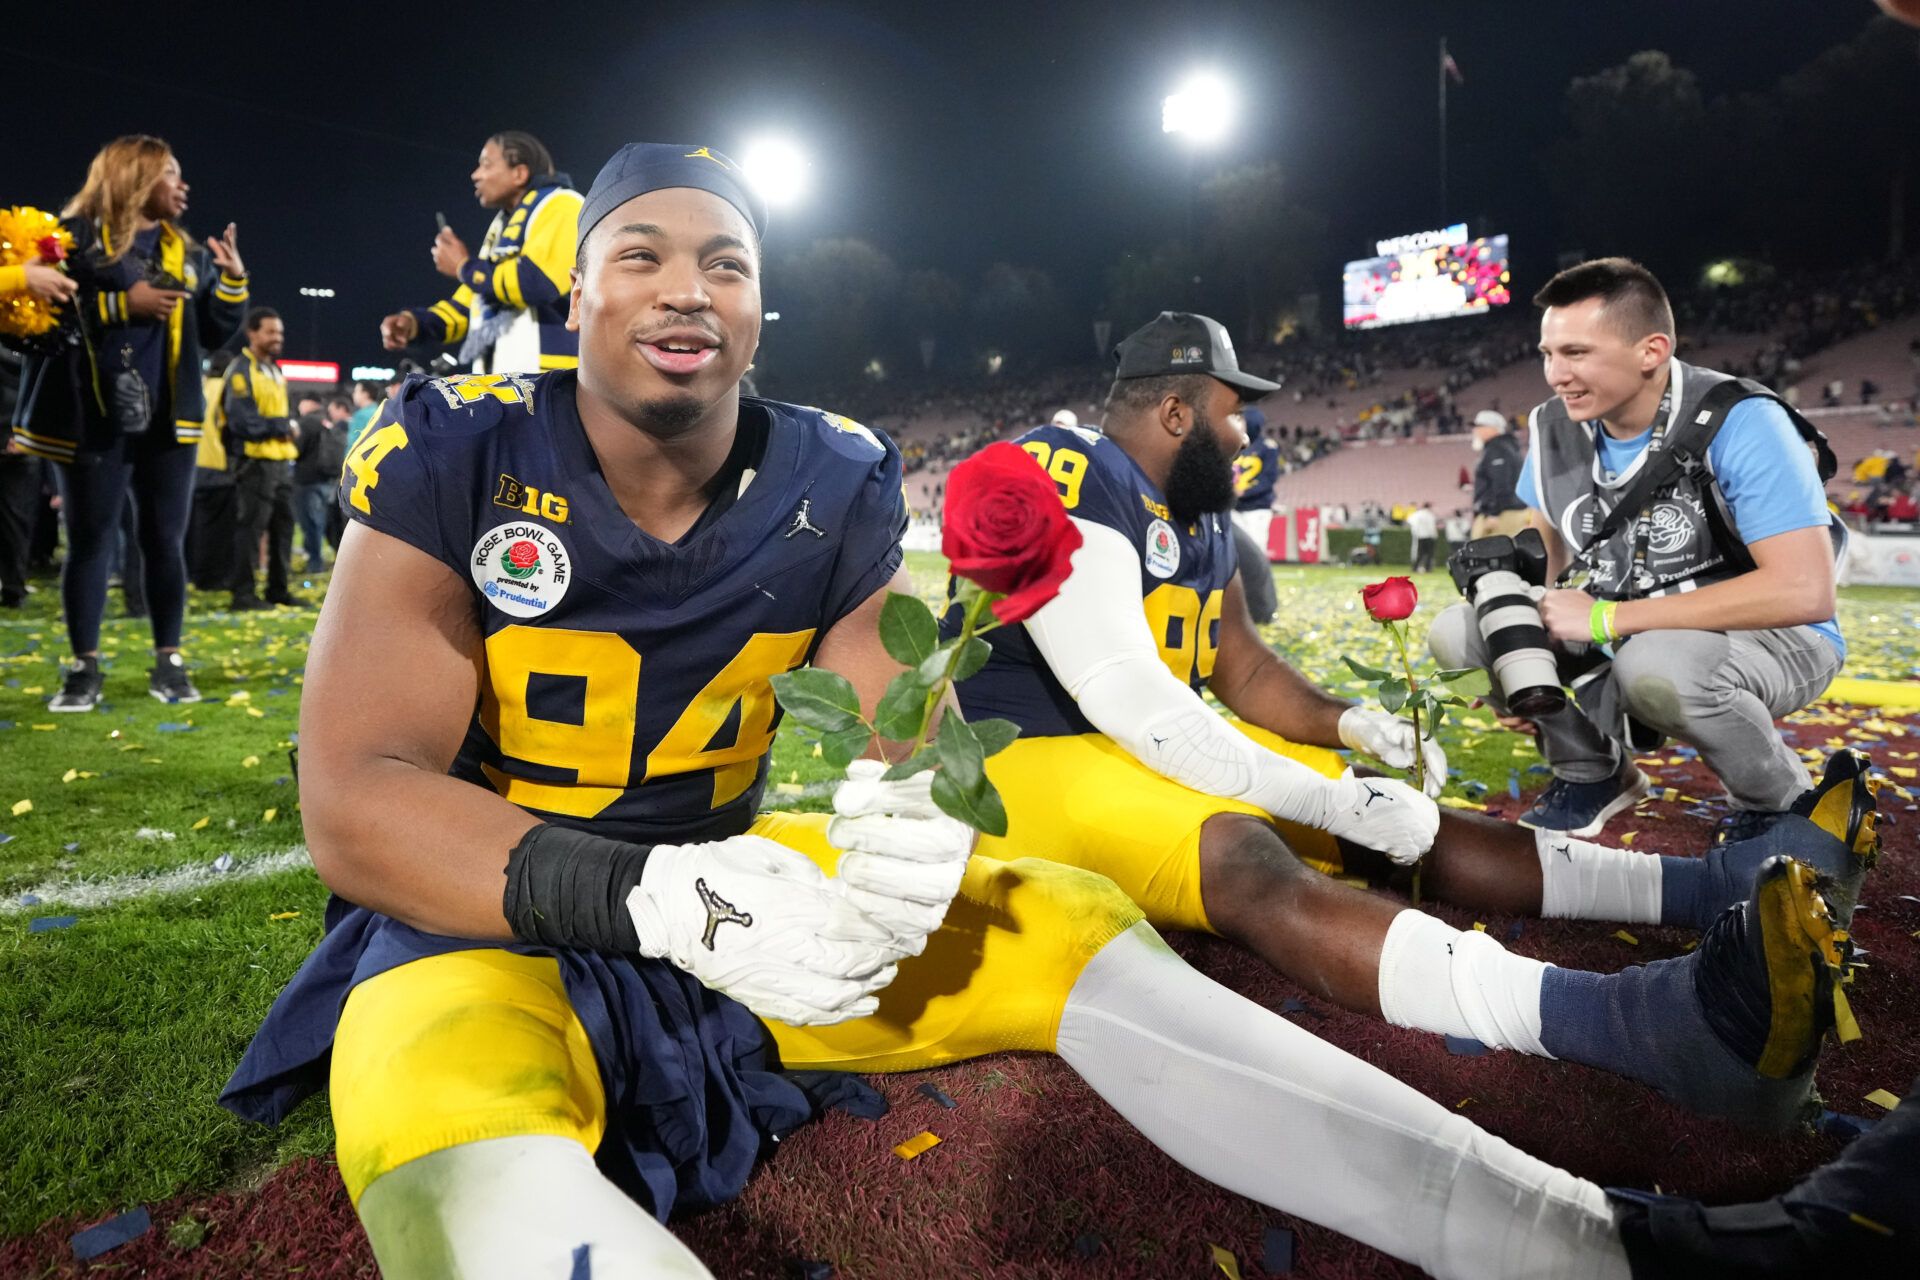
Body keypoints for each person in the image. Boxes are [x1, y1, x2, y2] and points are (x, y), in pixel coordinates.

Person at [213, 143, 1892, 1280]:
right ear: (571, 295)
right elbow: (358, 800)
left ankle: (1606, 1244)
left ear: (762, 305)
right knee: (430, 1117)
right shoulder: (453, 456)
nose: (685, 285)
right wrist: (648, 892)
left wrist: (888, 831)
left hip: (744, 875)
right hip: (492, 923)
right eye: (639, 252)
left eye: (726, 259)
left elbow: (891, 726)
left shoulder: (837, 474)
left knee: (1064, 911)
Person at [952, 309, 1868, 1134]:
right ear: (1178, 414)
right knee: (1247, 853)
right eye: (1235, 414)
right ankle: (1645, 1026)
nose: (1247, 437)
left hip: (1138, 744)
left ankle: (1707, 888)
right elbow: (1132, 701)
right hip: (1031, 758)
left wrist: (1348, 728)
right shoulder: (1055, 469)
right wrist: (1322, 800)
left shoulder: (1199, 516)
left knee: (1389, 812)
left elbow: (1241, 667)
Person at [1430, 258, 1845, 839]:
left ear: (1651, 350)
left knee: (1655, 666)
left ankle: (1779, 804)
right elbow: (1547, 562)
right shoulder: (1552, 425)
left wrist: (1607, 617)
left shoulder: (1744, 419)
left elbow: (1804, 591)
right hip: (1623, 623)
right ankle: (1591, 770)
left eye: (1575, 353)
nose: (1554, 373)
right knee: (1461, 630)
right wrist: (1507, 610)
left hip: (1769, 635)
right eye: (1548, 353)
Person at [11, 134, 248, 710]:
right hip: (90, 415)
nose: (182, 185)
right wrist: (123, 305)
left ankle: (169, 661)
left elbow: (211, 337)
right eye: (169, 172)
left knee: (163, 541)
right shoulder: (70, 239)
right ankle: (83, 669)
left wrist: (232, 284)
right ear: (135, 178)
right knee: (90, 543)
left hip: (169, 417)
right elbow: (40, 317)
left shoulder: (185, 253)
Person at [379, 131, 582, 375]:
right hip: (505, 388)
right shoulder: (502, 225)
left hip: (550, 386)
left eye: (486, 164)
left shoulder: (564, 204)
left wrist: (464, 267)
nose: (475, 175)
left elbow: (538, 283)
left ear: (519, 173)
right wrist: (413, 324)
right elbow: (470, 305)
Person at [222, 309, 303, 609]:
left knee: (284, 528)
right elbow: (243, 423)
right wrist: (284, 426)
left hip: (281, 464)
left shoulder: (274, 370)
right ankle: (242, 594)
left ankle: (277, 590)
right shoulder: (242, 369)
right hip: (255, 464)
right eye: (271, 332)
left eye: (279, 332)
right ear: (252, 333)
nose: (277, 337)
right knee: (251, 530)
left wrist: (285, 425)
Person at [1469, 408, 1529, 538]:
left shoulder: (1497, 449)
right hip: (1507, 512)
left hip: (1503, 515)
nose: (1475, 431)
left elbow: (1501, 482)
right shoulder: (1506, 447)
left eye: (1479, 426)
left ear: (1492, 428)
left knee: (1488, 554)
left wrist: (1494, 513)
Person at [1228, 404, 1279, 550]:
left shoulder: (1267, 447)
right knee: (1232, 551)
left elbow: (1269, 478)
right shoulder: (1233, 444)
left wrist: (1244, 492)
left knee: (1256, 549)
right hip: (1234, 507)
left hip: (1257, 508)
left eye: (1241, 419)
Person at [1407, 498, 1438, 571]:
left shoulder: (1418, 513)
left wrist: (1416, 530)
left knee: (1420, 553)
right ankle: (1428, 568)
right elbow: (1432, 527)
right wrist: (1435, 535)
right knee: (1429, 553)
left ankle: (1415, 567)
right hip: (1429, 536)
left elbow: (1409, 520)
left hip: (1420, 536)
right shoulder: (1430, 515)